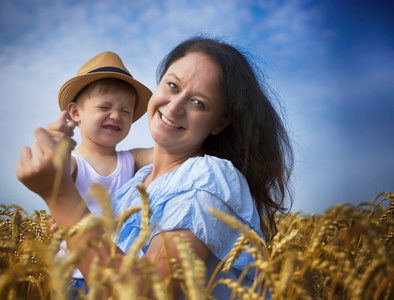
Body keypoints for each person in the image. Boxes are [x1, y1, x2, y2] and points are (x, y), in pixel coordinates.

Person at [17, 36, 293, 299]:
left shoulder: (208, 179)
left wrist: (61, 197)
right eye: (172, 86)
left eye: (198, 103)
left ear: (220, 123)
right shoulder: (132, 185)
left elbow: (143, 294)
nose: (173, 108)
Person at [50, 51, 153, 291]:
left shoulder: (132, 159)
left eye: (126, 111)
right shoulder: (76, 164)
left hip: (118, 274)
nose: (116, 115)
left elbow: (168, 151)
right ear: (75, 113)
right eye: (105, 106)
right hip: (75, 276)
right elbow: (56, 172)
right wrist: (58, 146)